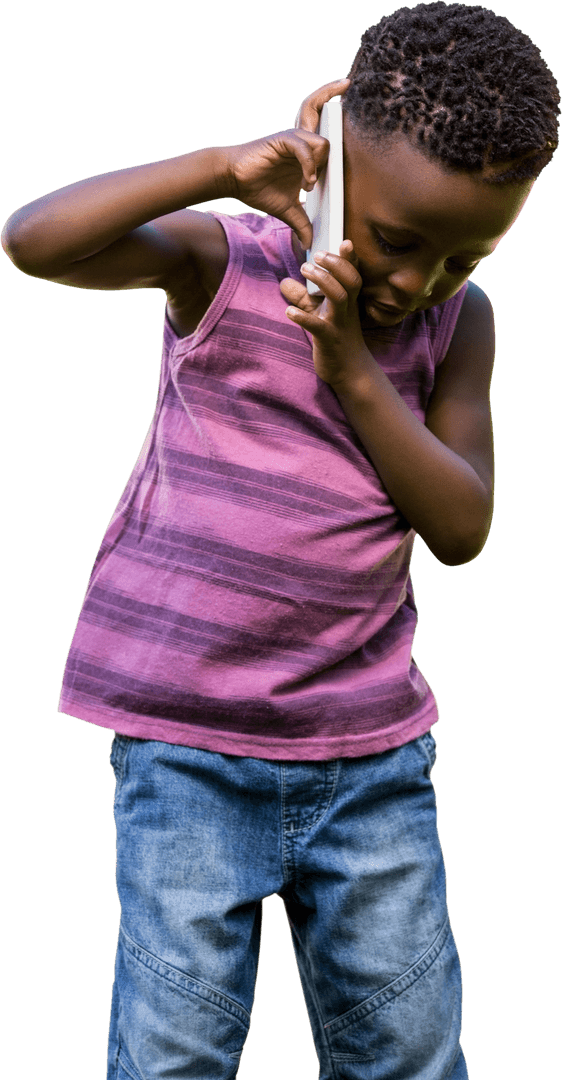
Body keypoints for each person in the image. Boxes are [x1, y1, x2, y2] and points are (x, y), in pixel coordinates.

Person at [2, 3, 559, 1077]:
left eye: (463, 257)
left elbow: (461, 526)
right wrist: (220, 166)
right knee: (174, 1050)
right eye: (396, 241)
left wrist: (350, 366)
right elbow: (35, 242)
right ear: (333, 167)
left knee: (408, 1048)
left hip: (368, 756)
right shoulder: (225, 265)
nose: (419, 283)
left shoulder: (461, 325)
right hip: (187, 745)